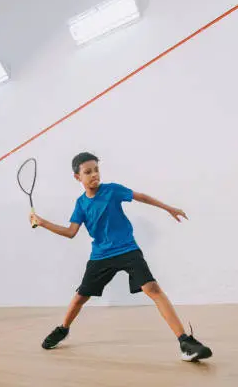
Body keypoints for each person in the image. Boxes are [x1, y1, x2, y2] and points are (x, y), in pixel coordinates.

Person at [30, 152, 212, 361]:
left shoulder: (112, 190)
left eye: (96, 170)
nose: (94, 175)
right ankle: (63, 329)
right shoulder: (81, 204)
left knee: (153, 289)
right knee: (80, 297)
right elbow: (71, 232)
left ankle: (185, 342)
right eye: (88, 172)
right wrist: (42, 222)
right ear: (77, 177)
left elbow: (141, 197)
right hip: (100, 256)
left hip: (127, 250)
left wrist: (168, 208)